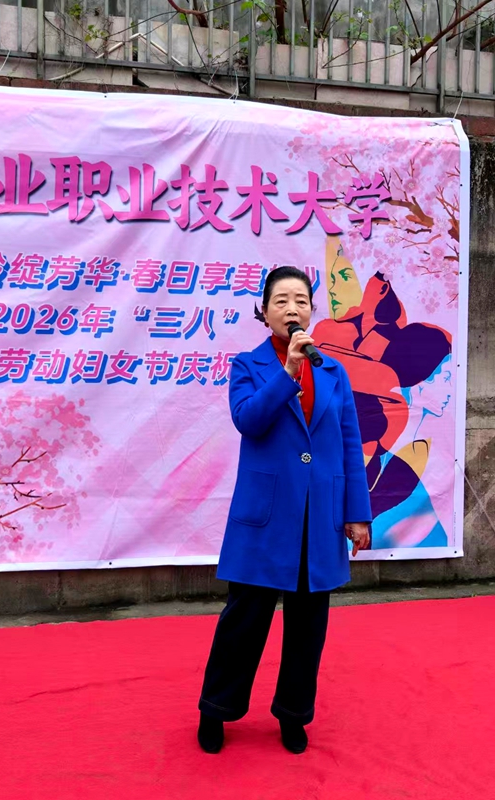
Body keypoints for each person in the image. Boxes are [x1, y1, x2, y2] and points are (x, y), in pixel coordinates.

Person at [197, 266, 372, 755]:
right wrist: (288, 372)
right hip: (266, 515)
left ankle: (293, 715)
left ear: (312, 310)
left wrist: (357, 513)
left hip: (319, 517)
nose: (292, 309)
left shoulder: (333, 372)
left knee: (308, 627)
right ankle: (216, 709)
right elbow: (249, 421)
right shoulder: (248, 366)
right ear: (265, 310)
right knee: (244, 621)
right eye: (281, 301)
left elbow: (349, 442)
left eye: (301, 300)